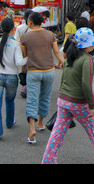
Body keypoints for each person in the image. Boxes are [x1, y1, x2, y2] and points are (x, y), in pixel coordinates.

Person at [41, 27, 94, 164]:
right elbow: (86, 85)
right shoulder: (87, 59)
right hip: (79, 103)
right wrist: (92, 106)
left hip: (63, 100)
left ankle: (48, 161)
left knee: (57, 134)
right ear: (89, 45)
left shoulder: (71, 56)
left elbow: (64, 78)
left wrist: (61, 97)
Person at [20, 11, 65, 144]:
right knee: (45, 97)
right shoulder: (50, 35)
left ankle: (32, 129)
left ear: (30, 22)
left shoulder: (25, 37)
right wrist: (62, 62)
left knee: (32, 100)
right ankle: (40, 123)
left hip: (33, 71)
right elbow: (57, 52)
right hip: (49, 71)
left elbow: (24, 56)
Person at [0, 18, 28, 140]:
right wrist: (28, 58)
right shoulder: (15, 44)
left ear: (1, 29)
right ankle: (9, 122)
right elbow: (19, 62)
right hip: (11, 77)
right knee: (9, 101)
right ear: (13, 29)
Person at [14, 9, 33, 98]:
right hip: (32, 52)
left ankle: (24, 88)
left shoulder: (19, 27)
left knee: (23, 70)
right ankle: (28, 89)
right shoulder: (33, 29)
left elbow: (16, 40)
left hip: (22, 51)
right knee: (31, 70)